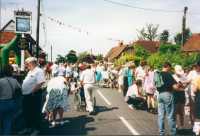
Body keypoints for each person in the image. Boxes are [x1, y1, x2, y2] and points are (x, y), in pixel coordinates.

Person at [21, 57, 45, 135]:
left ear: (32, 63)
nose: (26, 65)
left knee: (35, 113)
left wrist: (32, 92)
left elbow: (40, 82)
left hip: (34, 95)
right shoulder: (30, 72)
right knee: (27, 112)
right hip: (26, 95)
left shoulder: (39, 71)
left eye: (27, 64)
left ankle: (36, 129)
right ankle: (28, 128)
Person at [155, 62, 178, 136]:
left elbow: (156, 85)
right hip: (168, 94)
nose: (170, 70)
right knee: (170, 115)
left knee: (161, 115)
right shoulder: (168, 75)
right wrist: (180, 86)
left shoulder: (158, 75)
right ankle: (172, 133)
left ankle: (161, 133)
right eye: (170, 68)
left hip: (160, 95)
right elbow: (175, 87)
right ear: (167, 67)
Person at [0, 65, 21, 135]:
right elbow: (20, 89)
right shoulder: (14, 81)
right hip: (11, 102)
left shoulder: (1, 81)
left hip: (1, 102)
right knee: (7, 122)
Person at [172, 65, 187, 129]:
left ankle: (182, 125)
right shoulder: (172, 77)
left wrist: (182, 85)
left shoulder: (183, 76)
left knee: (181, 112)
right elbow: (174, 88)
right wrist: (180, 84)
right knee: (174, 112)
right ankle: (174, 125)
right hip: (175, 95)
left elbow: (185, 86)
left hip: (182, 95)